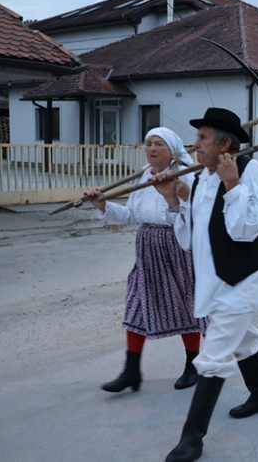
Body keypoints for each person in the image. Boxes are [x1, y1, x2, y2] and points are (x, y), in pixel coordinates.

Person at [154, 108, 258, 462]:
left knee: (214, 355)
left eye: (203, 138)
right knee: (245, 339)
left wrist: (232, 184)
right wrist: (173, 200)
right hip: (212, 280)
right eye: (197, 138)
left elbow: (246, 230)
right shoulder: (201, 178)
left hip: (239, 279)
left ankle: (191, 439)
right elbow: (190, 239)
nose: (195, 145)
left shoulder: (250, 170)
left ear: (225, 144)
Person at [85, 127, 205, 393]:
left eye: (158, 144)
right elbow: (130, 215)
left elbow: (190, 217)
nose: (151, 148)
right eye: (148, 143)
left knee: (185, 304)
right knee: (136, 304)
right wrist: (102, 204)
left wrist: (172, 194)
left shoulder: (186, 177)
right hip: (147, 248)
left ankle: (193, 363)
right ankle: (131, 371)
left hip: (177, 246)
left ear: (172, 150)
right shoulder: (142, 175)